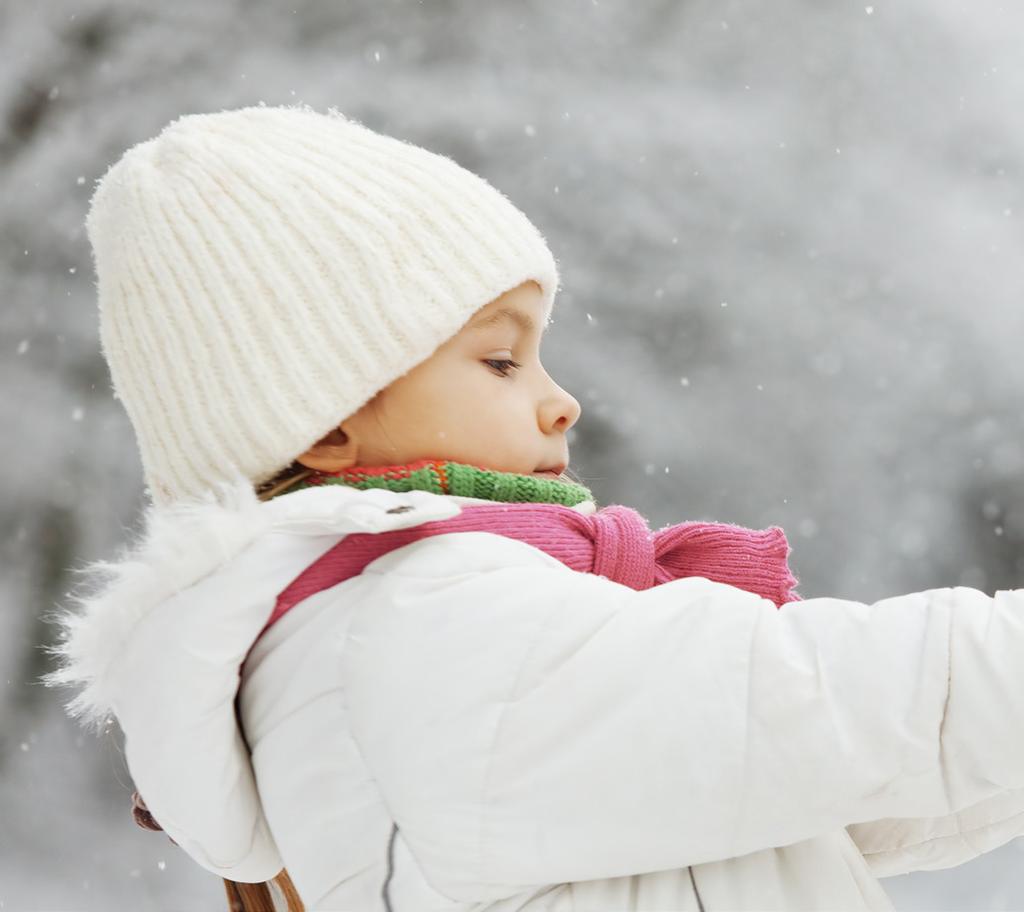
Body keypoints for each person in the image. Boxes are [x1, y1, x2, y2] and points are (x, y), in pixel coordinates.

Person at [41, 104, 1024, 912]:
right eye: (500, 359)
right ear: (323, 427)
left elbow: (815, 781)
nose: (562, 399)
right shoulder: (432, 625)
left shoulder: (355, 642)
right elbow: (813, 700)